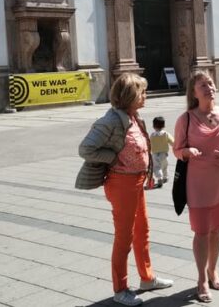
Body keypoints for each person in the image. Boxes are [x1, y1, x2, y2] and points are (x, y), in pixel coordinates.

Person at [77, 73, 173, 306]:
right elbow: (85, 148)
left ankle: (147, 278)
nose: (145, 95)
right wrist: (112, 158)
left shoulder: (133, 116)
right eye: (142, 91)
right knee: (125, 237)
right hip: (122, 185)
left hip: (137, 182)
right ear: (130, 95)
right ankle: (120, 289)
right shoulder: (111, 120)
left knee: (143, 230)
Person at [173, 71, 219, 303]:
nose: (209, 87)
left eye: (210, 83)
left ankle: (213, 270)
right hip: (198, 185)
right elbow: (177, 150)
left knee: (216, 230)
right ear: (193, 92)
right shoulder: (186, 119)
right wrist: (186, 152)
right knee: (201, 232)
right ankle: (201, 278)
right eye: (202, 85)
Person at [149, 116, 174, 188]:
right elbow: (172, 142)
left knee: (156, 167)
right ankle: (165, 177)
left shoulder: (152, 135)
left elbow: (149, 144)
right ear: (163, 125)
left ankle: (159, 178)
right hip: (163, 154)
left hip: (154, 154)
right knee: (164, 166)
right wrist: (175, 146)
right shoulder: (165, 134)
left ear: (153, 126)